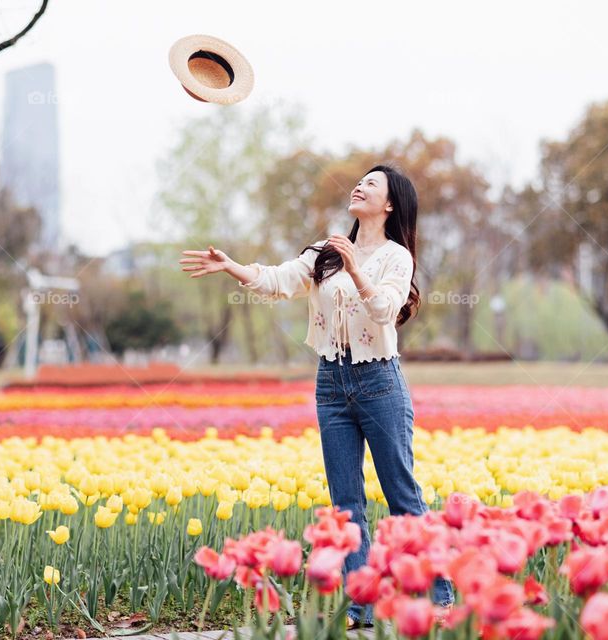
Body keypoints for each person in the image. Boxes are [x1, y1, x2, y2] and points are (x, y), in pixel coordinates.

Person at [179, 163, 455, 628]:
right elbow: (278, 280)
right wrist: (231, 267)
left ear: (389, 204)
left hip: (380, 383)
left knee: (402, 496)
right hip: (331, 383)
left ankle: (442, 598)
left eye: (371, 183)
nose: (359, 185)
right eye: (360, 180)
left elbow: (386, 309)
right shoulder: (325, 252)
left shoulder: (395, 257)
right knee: (346, 504)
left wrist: (355, 267)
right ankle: (361, 607)